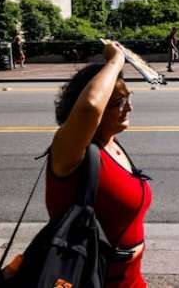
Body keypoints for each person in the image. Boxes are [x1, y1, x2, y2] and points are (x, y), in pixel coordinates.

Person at [48, 41, 151, 287]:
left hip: (129, 277)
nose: (129, 108)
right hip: (91, 277)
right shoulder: (71, 151)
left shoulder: (111, 144)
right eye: (117, 102)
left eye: (128, 98)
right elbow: (89, 107)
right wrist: (116, 60)